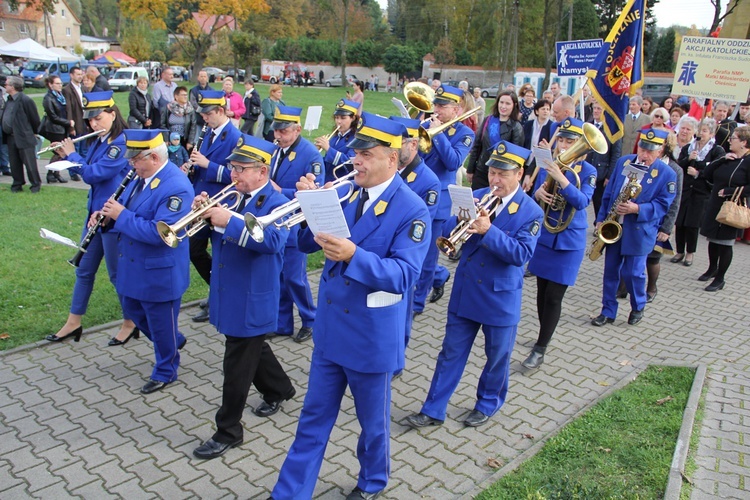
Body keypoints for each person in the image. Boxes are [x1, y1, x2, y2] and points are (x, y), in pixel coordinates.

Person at [271, 112, 431, 500]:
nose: (356, 160)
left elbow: (403, 275)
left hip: (370, 337)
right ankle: (289, 493)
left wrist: (354, 255)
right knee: (312, 420)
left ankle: (372, 482)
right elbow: (309, 243)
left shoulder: (412, 209)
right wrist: (311, 204)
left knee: (372, 425)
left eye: (367, 154)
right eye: (356, 151)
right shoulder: (347, 192)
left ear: (392, 160)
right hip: (331, 332)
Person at [406, 141, 543, 429]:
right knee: (450, 352)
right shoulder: (476, 196)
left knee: (496, 357)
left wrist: (488, 230)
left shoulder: (530, 211)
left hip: (499, 296)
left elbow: (520, 255)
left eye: (503, 174)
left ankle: (487, 403)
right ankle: (433, 409)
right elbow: (445, 234)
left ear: (519, 174)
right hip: (466, 291)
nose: (495, 180)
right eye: (492, 172)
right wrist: (458, 219)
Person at [192, 135, 296, 460]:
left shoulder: (276, 202)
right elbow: (215, 238)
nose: (234, 174)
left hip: (253, 298)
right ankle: (280, 389)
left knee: (236, 366)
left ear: (262, 172)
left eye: (241, 169)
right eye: (233, 167)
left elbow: (274, 242)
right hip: (231, 291)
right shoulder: (235, 197)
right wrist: (204, 216)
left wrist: (229, 222)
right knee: (253, 349)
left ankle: (228, 431)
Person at [99, 129, 193, 394]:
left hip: (158, 270)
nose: (131, 164)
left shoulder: (176, 187)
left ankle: (166, 369)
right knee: (135, 311)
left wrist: (121, 216)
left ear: (153, 157)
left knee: (160, 322)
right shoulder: (141, 177)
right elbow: (126, 210)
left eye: (135, 159)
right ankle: (174, 341)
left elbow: (158, 233)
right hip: (134, 265)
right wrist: (106, 216)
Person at [45, 90, 139, 346]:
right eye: (90, 121)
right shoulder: (99, 140)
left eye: (97, 118)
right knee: (84, 270)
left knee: (116, 275)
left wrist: (70, 155)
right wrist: (73, 157)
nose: (93, 124)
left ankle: (130, 323)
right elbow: (89, 168)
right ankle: (73, 322)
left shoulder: (122, 142)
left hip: (113, 217)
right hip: (94, 216)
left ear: (112, 113)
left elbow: (94, 173)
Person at [522, 119, 597, 369]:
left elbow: (582, 202)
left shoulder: (588, 171)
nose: (563, 145)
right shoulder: (549, 165)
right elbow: (540, 196)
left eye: (569, 141)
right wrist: (538, 194)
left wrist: (562, 180)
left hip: (568, 242)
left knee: (554, 297)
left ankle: (540, 348)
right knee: (542, 294)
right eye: (562, 140)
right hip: (545, 236)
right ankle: (543, 335)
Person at [591, 129, 676, 327]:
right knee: (610, 272)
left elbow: (664, 204)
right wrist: (601, 219)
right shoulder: (625, 162)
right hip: (614, 227)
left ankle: (638, 306)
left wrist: (637, 208)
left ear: (660, 151)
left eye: (649, 151)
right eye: (642, 149)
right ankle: (607, 310)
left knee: (633, 273)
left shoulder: (667, 174)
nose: (644, 155)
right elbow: (609, 192)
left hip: (638, 231)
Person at [269, 105, 324, 342]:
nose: (277, 136)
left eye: (283, 132)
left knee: (294, 277)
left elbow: (316, 191)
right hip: (277, 223)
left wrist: (281, 190)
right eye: (276, 131)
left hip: (295, 225)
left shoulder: (310, 154)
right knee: (280, 277)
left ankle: (310, 319)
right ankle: (282, 324)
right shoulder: (275, 150)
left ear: (298, 129)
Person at [188, 90, 242, 323]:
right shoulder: (207, 133)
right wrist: (190, 168)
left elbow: (238, 176)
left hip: (222, 203)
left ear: (221, 111)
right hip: (202, 202)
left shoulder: (235, 137)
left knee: (220, 253)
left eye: (208, 114)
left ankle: (218, 296)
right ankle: (219, 289)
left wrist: (207, 164)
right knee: (194, 250)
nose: (204, 119)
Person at [419, 84, 475, 304]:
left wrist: (439, 133)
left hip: (439, 200)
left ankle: (417, 302)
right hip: (418, 192)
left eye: (443, 106)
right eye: (436, 105)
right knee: (415, 248)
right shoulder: (425, 124)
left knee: (428, 255)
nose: (437, 110)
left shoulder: (465, 134)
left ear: (456, 109)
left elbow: (453, 163)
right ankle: (440, 275)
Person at [390, 116, 441, 321]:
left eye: (397, 143)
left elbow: (419, 227)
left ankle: (417, 303)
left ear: (413, 144)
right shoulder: (389, 168)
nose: (391, 149)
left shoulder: (428, 181)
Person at [696, 127, 750, 292]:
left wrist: (730, 191)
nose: (729, 140)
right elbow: (708, 173)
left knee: (725, 243)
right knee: (713, 239)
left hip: (732, 206)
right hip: (715, 204)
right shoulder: (729, 157)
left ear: (743, 142)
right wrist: (721, 159)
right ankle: (712, 268)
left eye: (733, 138)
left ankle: (720, 278)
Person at [674, 118, 725, 266]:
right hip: (686, 189)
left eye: (705, 131)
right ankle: (679, 251)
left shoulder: (716, 150)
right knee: (681, 221)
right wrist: (688, 159)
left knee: (692, 223)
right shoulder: (689, 148)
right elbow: (679, 166)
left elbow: (715, 169)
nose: (701, 134)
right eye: (700, 130)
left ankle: (690, 253)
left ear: (711, 133)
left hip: (701, 191)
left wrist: (698, 172)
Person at [644, 132, 683, 303]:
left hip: (659, 220)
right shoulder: (642, 162)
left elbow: (675, 202)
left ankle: (651, 287)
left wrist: (667, 228)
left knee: (653, 257)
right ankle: (623, 287)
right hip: (640, 216)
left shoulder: (674, 169)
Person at [466, 90, 524, 190]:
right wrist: (470, 170)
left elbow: (515, 158)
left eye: (507, 103)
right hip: (482, 171)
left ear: (514, 105)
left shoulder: (516, 127)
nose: (503, 106)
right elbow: (477, 146)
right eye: (501, 102)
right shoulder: (488, 120)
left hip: (501, 176)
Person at [1, 76, 42, 193]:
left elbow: (34, 119)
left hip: (24, 136)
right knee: (14, 163)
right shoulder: (8, 99)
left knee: (30, 163)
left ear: (13, 87)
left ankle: (35, 185)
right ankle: (17, 184)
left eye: (7, 84)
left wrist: (34, 133)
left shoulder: (25, 100)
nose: (5, 85)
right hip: (10, 137)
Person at [587, 101, 622, 216]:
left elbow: (615, 155)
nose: (596, 111)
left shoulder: (612, 130)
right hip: (587, 169)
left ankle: (599, 223)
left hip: (602, 173)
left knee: (599, 202)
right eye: (594, 108)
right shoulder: (588, 125)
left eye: (599, 109)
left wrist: (609, 175)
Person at [314, 98, 360, 183]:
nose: (338, 121)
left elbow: (348, 163)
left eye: (343, 118)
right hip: (327, 181)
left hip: (342, 183)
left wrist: (328, 149)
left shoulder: (356, 139)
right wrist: (315, 153)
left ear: (353, 118)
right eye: (336, 117)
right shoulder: (334, 138)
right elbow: (327, 163)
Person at [40, 75, 72, 183]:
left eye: (61, 83)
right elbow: (53, 116)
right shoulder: (48, 98)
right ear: (50, 85)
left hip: (62, 128)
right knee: (58, 151)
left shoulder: (60, 96)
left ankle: (55, 173)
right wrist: (68, 122)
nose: (60, 85)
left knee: (60, 152)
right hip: (54, 129)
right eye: (57, 83)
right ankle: (51, 173)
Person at [62, 66, 88, 171]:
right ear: (71, 75)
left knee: (84, 148)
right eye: (78, 74)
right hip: (75, 122)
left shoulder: (84, 88)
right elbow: (68, 109)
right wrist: (70, 126)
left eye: (81, 74)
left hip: (85, 123)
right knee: (75, 148)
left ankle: (84, 168)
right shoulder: (67, 90)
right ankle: (73, 171)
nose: (80, 76)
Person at [189, 70, 212, 134]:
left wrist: (207, 112)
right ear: (198, 78)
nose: (203, 78)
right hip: (197, 118)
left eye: (204, 76)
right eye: (201, 76)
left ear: (207, 78)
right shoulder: (193, 90)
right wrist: (202, 112)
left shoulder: (212, 90)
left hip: (209, 118)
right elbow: (193, 104)